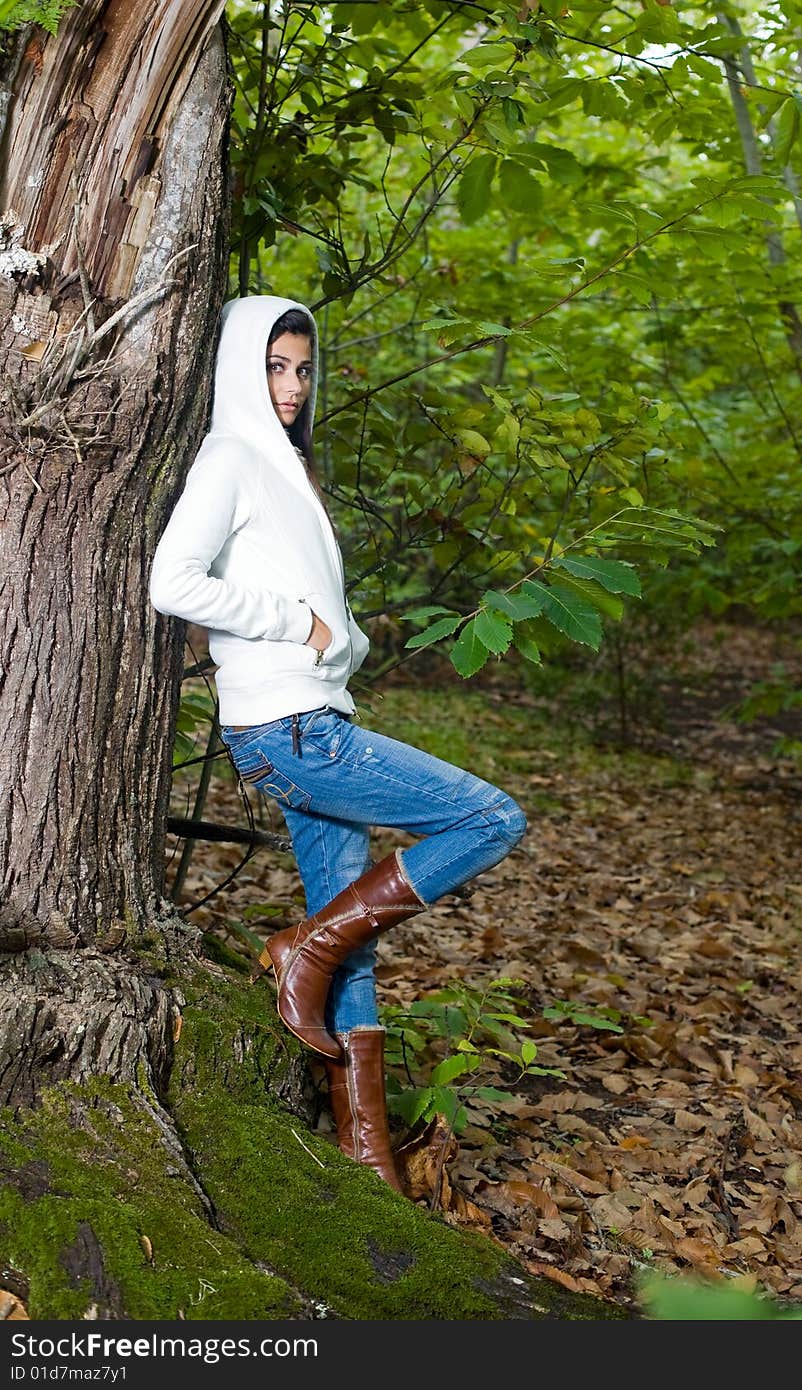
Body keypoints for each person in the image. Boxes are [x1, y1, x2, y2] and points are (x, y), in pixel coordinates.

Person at [149, 294, 527, 1192]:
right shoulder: (231, 457)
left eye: (303, 369)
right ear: (241, 368)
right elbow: (174, 581)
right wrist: (296, 623)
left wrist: (340, 639)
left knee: (352, 934)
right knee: (490, 817)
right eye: (274, 367)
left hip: (310, 716)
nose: (290, 386)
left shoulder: (284, 466)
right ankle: (304, 949)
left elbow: (321, 616)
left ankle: (367, 1155)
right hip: (288, 729)